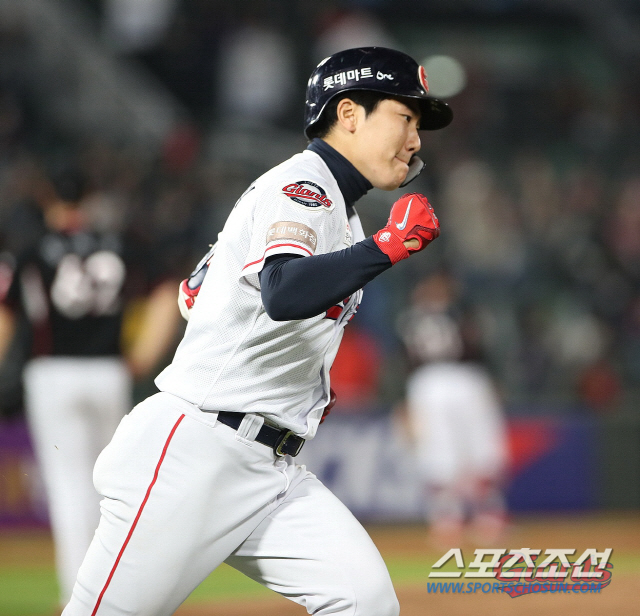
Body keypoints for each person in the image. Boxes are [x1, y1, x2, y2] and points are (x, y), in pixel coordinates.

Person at [62, 47, 452, 616]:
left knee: (364, 599)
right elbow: (284, 291)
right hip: (196, 454)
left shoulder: (337, 210)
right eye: (405, 117)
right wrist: (387, 246)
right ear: (348, 114)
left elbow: (194, 296)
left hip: (269, 469)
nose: (416, 139)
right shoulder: (305, 185)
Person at [0, 166, 181, 607]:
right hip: (108, 373)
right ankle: (122, 590)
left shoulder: (31, 250)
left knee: (69, 488)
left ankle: (80, 599)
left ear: (48, 199)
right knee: (113, 485)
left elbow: (5, 316)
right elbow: (167, 294)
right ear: (90, 198)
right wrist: (142, 355)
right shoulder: (119, 244)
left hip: (52, 373)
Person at [397, 272, 508, 548]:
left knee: (450, 452)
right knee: (472, 450)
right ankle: (479, 518)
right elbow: (479, 346)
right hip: (461, 379)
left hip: (430, 383)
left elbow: (404, 362)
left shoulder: (409, 318)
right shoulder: (463, 311)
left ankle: (451, 520)